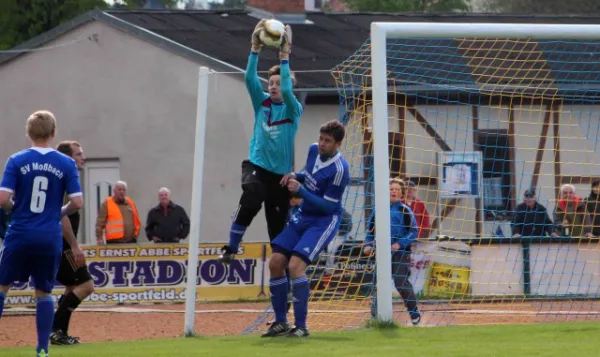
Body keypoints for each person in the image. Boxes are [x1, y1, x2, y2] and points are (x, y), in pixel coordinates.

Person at [0, 110, 83, 357]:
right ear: (53, 132)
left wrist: (18, 207)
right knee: (44, 293)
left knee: (2, 286)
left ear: (28, 133)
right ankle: (42, 350)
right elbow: (78, 203)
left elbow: (2, 198)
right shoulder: (66, 163)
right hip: (49, 236)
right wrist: (57, 211)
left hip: (20, 232)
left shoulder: (16, 160)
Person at [219, 20, 303, 264]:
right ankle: (230, 248)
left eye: (278, 83)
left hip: (280, 177)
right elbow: (249, 79)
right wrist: (254, 49)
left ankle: (283, 285)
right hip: (256, 165)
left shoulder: (292, 108)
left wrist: (285, 55)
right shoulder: (262, 102)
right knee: (252, 195)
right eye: (271, 83)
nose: (274, 86)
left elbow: (288, 89)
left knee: (277, 235)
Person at [262, 120, 349, 338]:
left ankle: (301, 326)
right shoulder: (312, 150)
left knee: (295, 266)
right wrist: (295, 175)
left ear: (338, 143)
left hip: (323, 220)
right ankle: (281, 322)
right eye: (321, 138)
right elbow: (308, 174)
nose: (321, 143)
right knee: (275, 263)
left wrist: (300, 191)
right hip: (304, 215)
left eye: (327, 141)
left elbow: (328, 206)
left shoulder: (340, 170)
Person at [50, 141, 95, 345]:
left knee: (70, 288)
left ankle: (59, 333)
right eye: (78, 154)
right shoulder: (65, 180)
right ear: (68, 157)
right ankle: (55, 330)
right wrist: (75, 246)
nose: (82, 157)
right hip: (64, 244)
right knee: (86, 285)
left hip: (58, 244)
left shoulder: (60, 178)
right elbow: (62, 217)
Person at [363, 178, 421, 326]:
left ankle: (414, 311)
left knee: (400, 282)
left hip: (401, 253)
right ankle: (376, 317)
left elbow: (413, 231)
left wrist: (399, 244)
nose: (394, 191)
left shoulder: (405, 210)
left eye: (397, 189)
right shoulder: (378, 210)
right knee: (378, 284)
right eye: (391, 189)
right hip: (381, 253)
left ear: (402, 194)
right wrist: (368, 245)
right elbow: (371, 231)